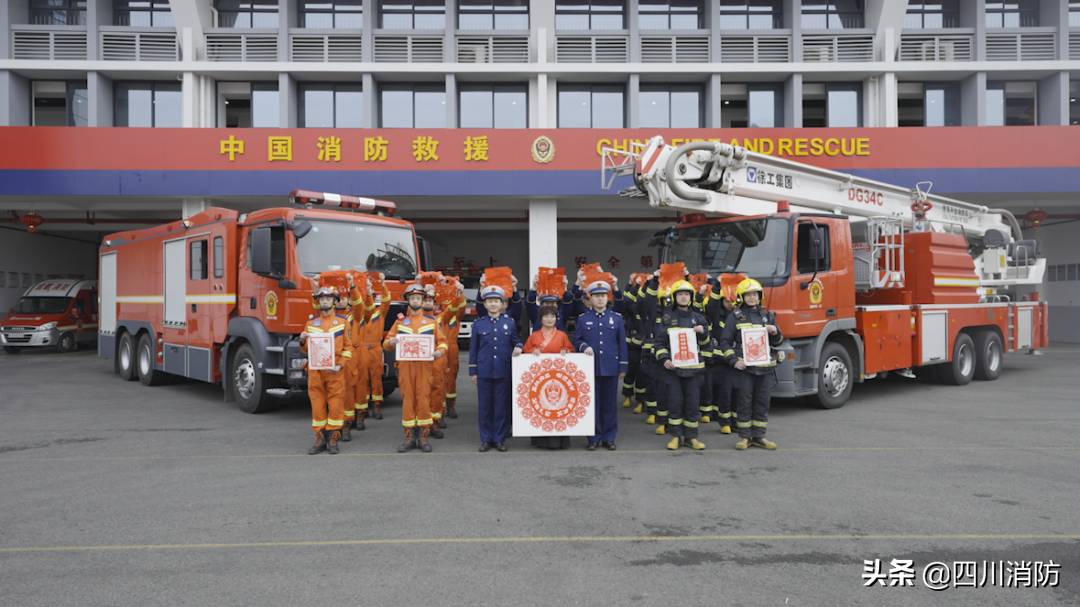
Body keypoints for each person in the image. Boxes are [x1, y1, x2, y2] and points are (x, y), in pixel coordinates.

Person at [719, 278, 785, 451]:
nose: (752, 298)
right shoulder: (735, 317)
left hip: (764, 368)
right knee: (744, 402)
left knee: (762, 403)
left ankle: (759, 436)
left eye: (754, 294)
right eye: (748, 295)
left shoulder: (768, 316)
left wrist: (775, 332)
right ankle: (744, 437)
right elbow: (724, 342)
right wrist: (734, 360)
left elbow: (778, 342)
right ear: (742, 297)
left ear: (759, 296)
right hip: (745, 368)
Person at [384, 283, 448, 453]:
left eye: (418, 298)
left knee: (423, 400)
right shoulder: (400, 322)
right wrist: (390, 342)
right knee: (408, 401)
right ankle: (409, 436)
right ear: (407, 301)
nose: (415, 301)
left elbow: (443, 342)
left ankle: (423, 436)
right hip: (405, 368)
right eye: (412, 298)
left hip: (424, 368)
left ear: (422, 300)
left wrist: (440, 352)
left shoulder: (432, 322)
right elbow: (387, 343)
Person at [653, 280, 710, 450]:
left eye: (686, 294)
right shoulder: (667, 319)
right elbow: (659, 344)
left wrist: (703, 333)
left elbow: (707, 344)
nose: (683, 297)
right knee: (675, 403)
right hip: (674, 371)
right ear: (674, 297)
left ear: (691, 297)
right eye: (680, 294)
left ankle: (691, 438)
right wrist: (664, 359)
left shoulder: (700, 319)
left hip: (694, 371)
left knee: (692, 404)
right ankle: (676, 436)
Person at [573, 281, 628, 451]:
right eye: (596, 296)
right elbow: (577, 340)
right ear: (590, 298)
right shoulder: (583, 319)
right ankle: (593, 438)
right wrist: (584, 347)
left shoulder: (616, 318)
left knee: (610, 405)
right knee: (592, 404)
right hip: (591, 367)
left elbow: (622, 344)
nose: (600, 299)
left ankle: (609, 437)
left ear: (607, 297)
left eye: (603, 296)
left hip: (611, 366)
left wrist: (623, 366)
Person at [469, 285, 523, 452]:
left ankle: (499, 439)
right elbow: (473, 349)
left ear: (502, 304)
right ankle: (486, 439)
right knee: (485, 407)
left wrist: (519, 346)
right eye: (490, 301)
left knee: (501, 407)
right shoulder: (478, 324)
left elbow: (516, 341)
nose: (493, 304)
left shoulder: (509, 323)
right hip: (484, 371)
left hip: (503, 371)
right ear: (484, 304)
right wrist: (473, 371)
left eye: (496, 301)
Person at [299, 286, 351, 455]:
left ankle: (333, 437)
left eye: (328, 299)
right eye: (322, 299)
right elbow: (306, 350)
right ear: (318, 302)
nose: (325, 301)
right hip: (315, 370)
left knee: (336, 405)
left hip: (335, 370)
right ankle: (320, 438)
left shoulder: (343, 322)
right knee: (317, 404)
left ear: (335, 301)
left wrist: (340, 365)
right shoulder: (311, 323)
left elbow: (348, 348)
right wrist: (302, 340)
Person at [523, 307, 575, 450]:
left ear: (557, 319)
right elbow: (525, 351)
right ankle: (541, 441)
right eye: (546, 316)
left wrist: (566, 351)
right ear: (541, 319)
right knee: (541, 406)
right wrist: (532, 352)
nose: (549, 319)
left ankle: (560, 441)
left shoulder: (562, 335)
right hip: (540, 379)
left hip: (559, 379)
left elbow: (570, 349)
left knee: (559, 407)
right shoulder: (533, 336)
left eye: (553, 316)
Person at [360, 273, 390, 423]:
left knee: (376, 379)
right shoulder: (358, 314)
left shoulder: (379, 313)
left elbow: (387, 300)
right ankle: (363, 408)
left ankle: (377, 406)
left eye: (370, 296)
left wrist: (383, 284)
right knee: (363, 379)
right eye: (366, 297)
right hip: (362, 350)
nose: (368, 299)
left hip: (376, 349)